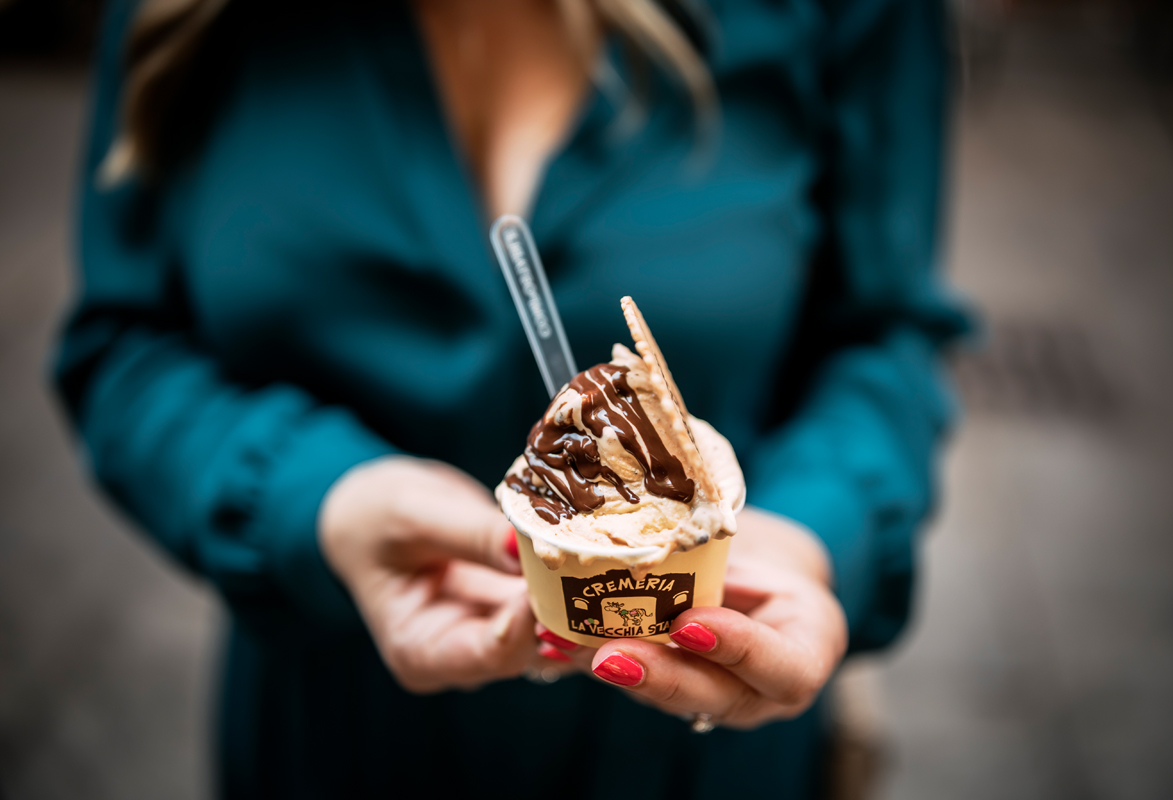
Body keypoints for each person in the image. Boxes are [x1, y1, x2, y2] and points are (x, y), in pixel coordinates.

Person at [54, 0, 971, 797]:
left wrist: (811, 532)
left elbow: (884, 337)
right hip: (331, 727)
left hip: (703, 746)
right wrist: (313, 500)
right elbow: (123, 343)